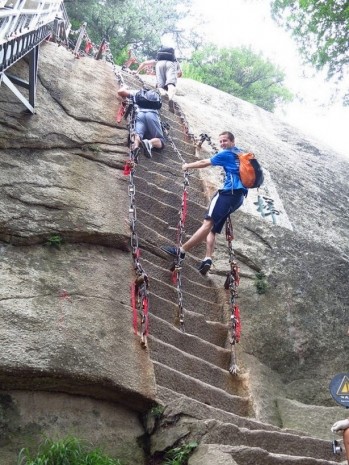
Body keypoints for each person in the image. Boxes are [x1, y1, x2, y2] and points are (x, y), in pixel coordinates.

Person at [161, 131, 247, 275]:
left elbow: (204, 162)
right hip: (239, 198)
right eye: (220, 141)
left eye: (225, 141)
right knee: (212, 228)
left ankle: (181, 251)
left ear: (232, 141)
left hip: (227, 193)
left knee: (207, 223)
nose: (222, 144)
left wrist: (187, 165)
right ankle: (207, 258)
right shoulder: (242, 155)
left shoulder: (227, 154)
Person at [117, 86, 165, 158]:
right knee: (161, 140)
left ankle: (135, 148)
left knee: (138, 134)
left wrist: (125, 87)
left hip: (140, 114)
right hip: (152, 115)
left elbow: (120, 92)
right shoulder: (155, 95)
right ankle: (149, 143)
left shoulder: (137, 93)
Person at [134, 47, 182, 112]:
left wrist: (137, 71)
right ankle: (170, 97)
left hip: (159, 64)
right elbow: (180, 73)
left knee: (160, 86)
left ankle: (163, 93)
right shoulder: (175, 61)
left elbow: (144, 63)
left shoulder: (158, 60)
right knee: (171, 84)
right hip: (171, 64)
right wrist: (173, 77)